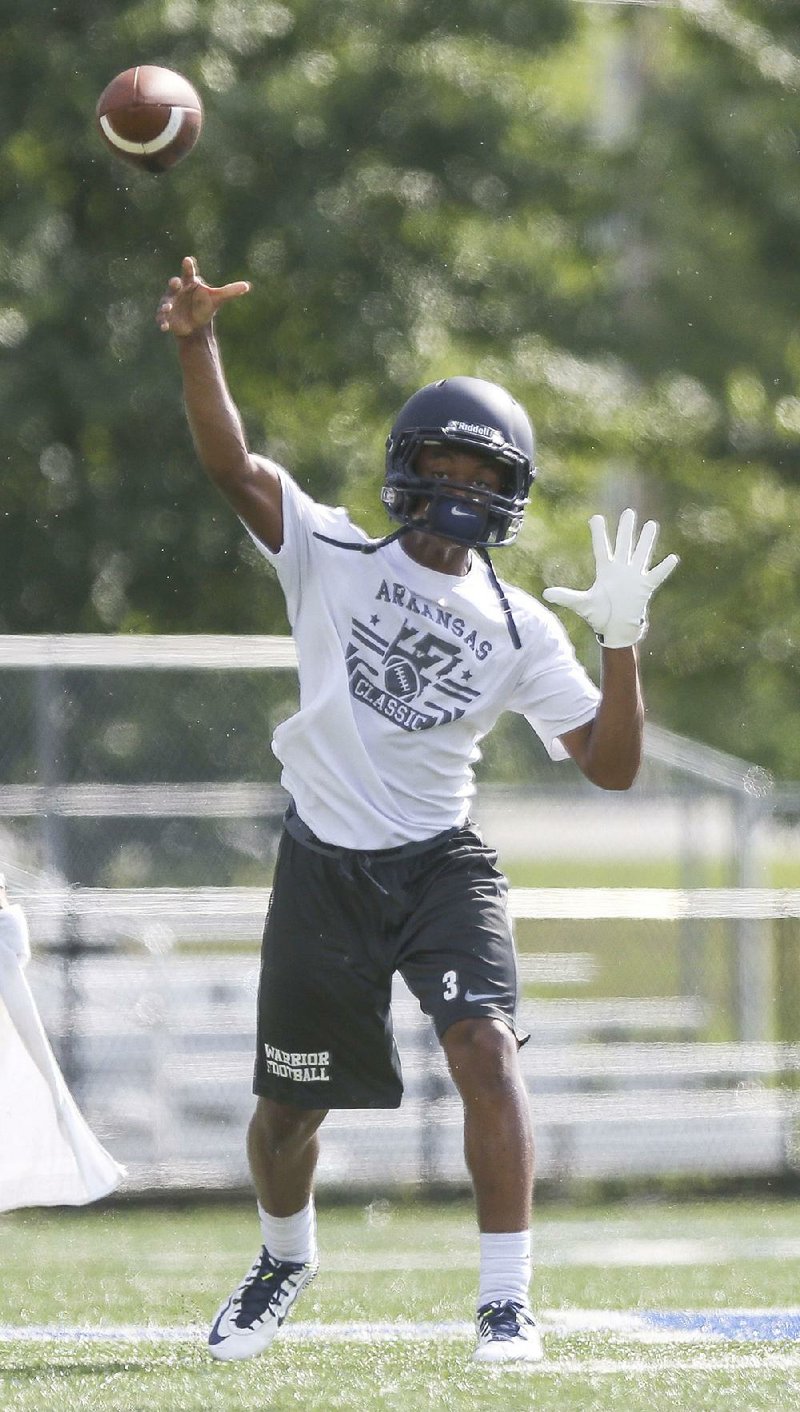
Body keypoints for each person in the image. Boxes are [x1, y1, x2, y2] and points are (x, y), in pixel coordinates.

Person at [156, 256, 678, 1365]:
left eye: (475, 468)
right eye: (436, 460)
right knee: (288, 1114)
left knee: (486, 1050)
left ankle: (503, 1300)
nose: (452, 483)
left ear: (507, 490)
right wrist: (198, 342)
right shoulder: (330, 550)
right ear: (401, 466)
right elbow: (230, 464)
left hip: (440, 860)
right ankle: (284, 1253)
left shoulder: (520, 622)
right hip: (322, 863)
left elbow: (611, 766)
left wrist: (621, 646)